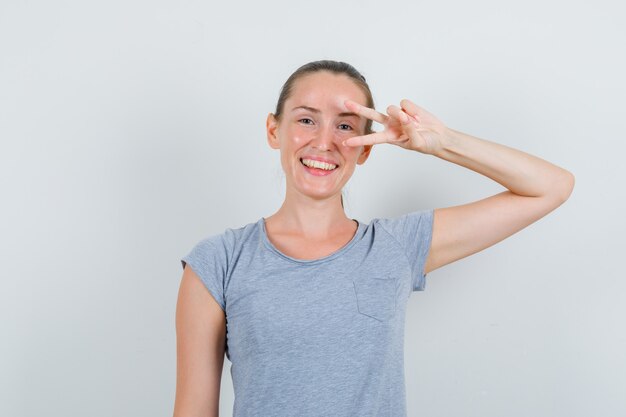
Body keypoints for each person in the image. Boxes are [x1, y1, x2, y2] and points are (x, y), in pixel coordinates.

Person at [173, 60, 574, 417]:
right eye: (307, 119)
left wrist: (442, 142)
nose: (324, 141)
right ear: (273, 130)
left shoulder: (396, 248)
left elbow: (551, 187)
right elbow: (193, 409)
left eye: (344, 126)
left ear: (365, 148)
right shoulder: (218, 262)